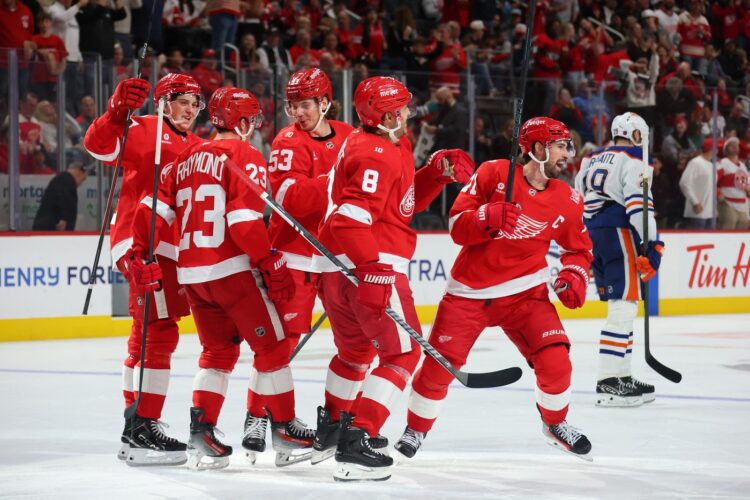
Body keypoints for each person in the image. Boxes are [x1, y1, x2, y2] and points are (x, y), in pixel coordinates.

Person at [126, 86, 315, 470]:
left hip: (192, 275)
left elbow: (151, 211)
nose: (253, 128)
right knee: (273, 347)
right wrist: (268, 260)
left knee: (217, 353)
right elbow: (243, 222)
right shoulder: (245, 155)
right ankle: (284, 428)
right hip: (232, 272)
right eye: (251, 121)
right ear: (241, 123)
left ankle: (202, 432)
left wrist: (139, 251)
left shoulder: (184, 157)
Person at [395, 117, 594, 462]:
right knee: (438, 368)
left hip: (526, 294)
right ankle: (416, 428)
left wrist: (574, 274)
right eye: (561, 146)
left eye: (568, 147)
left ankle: (555, 423)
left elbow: (579, 249)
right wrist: (485, 217)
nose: (567, 154)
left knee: (556, 361)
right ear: (537, 148)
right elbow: (457, 226)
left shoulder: (569, 199)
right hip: (469, 293)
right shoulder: (493, 173)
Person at [311, 76, 474, 481]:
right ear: (385, 116)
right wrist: (371, 268)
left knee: (354, 354)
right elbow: (350, 218)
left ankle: (333, 429)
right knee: (402, 355)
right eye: (401, 108)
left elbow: (400, 203)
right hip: (371, 262)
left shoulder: (385, 144)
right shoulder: (375, 152)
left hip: (337, 268)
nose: (408, 113)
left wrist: (435, 174)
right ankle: (358, 439)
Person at [83, 73, 204, 465]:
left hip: (170, 249)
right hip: (141, 244)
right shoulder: (145, 128)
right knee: (158, 333)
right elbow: (98, 147)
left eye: (195, 103)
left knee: (146, 333)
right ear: (163, 101)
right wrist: (115, 112)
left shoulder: (197, 145)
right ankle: (142, 426)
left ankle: (135, 422)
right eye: (183, 101)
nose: (190, 109)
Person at [242, 68, 355, 461]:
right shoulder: (288, 140)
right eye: (292, 105)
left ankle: (336, 423)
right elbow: (292, 199)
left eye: (305, 104)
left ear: (325, 102)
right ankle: (258, 416)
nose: (298, 113)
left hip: (337, 256)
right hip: (294, 255)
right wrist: (339, 180)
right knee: (281, 343)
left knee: (354, 344)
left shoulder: (349, 136)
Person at [575, 112, 663, 407]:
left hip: (593, 234)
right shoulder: (635, 158)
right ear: (638, 135)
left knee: (622, 302)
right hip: (618, 232)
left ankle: (622, 375)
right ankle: (609, 381)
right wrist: (652, 243)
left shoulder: (591, 158)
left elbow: (578, 199)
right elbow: (639, 208)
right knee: (623, 305)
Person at [32, 148, 89, 230]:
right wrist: (64, 218)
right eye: (83, 179)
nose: (80, 183)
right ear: (78, 172)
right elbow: (64, 199)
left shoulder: (62, 179)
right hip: (51, 228)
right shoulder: (66, 180)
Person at [679, 137, 717, 229]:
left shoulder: (711, 165)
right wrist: (695, 202)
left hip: (710, 212)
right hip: (698, 212)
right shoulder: (695, 163)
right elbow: (684, 183)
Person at [717, 137, 750, 229]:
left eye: (736, 145)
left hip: (742, 205)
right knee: (727, 232)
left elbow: (745, 185)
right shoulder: (722, 163)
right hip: (728, 204)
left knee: (741, 234)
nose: (735, 146)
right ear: (725, 150)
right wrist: (718, 193)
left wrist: (748, 191)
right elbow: (712, 181)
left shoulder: (742, 166)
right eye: (731, 145)